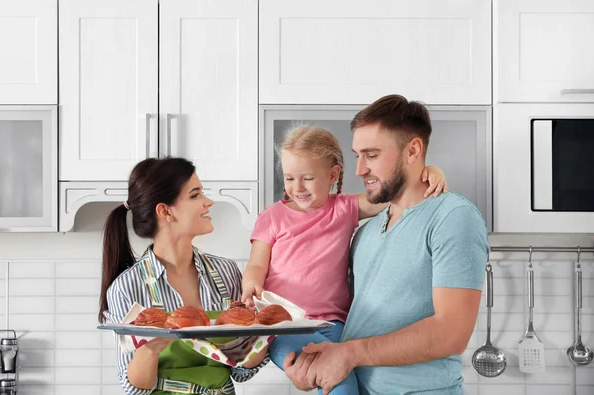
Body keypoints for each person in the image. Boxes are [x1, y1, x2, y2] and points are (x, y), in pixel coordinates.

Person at [283, 95, 489, 395]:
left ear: (413, 150)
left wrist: (349, 354)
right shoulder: (365, 233)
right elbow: (351, 323)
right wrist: (315, 368)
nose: (360, 170)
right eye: (357, 156)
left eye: (372, 155)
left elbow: (451, 333)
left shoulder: (453, 217)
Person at [240, 125, 448, 395]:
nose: (297, 188)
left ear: (333, 175)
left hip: (336, 325)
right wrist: (251, 284)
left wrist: (429, 172)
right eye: (290, 178)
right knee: (340, 384)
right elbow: (257, 263)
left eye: (308, 178)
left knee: (354, 380)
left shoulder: (344, 208)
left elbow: (393, 195)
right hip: (284, 326)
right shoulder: (272, 217)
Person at [99, 157, 269, 395]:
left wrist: (261, 333)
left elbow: (241, 372)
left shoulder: (226, 274)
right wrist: (150, 349)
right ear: (165, 211)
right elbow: (134, 389)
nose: (208, 202)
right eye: (195, 195)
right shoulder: (127, 287)